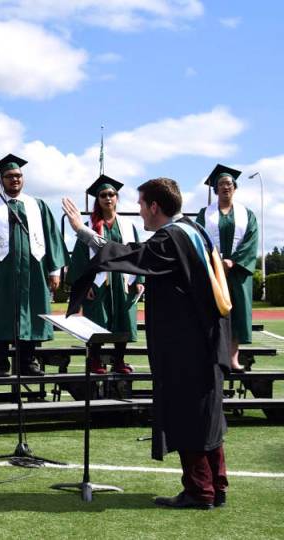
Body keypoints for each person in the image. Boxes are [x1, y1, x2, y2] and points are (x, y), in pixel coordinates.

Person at [63, 178, 231, 510]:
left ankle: (200, 490)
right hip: (206, 340)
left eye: (141, 204)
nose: (138, 210)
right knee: (207, 414)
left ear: (154, 206)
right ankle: (217, 484)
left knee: (189, 414)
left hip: (186, 347)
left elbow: (131, 255)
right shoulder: (195, 230)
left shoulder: (172, 238)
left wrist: (82, 231)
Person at [0, 154, 66, 377]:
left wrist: (54, 270)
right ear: (1, 180)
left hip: (32, 272)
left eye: (18, 175)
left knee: (30, 314)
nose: (15, 179)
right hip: (0, 273)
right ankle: (0, 364)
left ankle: (27, 362)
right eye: (9, 176)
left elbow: (51, 237)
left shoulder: (37, 205)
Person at [66, 175, 144, 374]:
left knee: (123, 320)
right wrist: (85, 286)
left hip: (123, 280)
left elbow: (137, 254)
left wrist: (140, 279)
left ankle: (119, 360)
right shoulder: (88, 226)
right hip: (99, 281)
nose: (108, 198)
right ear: (98, 199)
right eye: (103, 195)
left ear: (117, 197)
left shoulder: (128, 225)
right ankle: (94, 360)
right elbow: (80, 258)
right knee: (96, 321)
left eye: (111, 194)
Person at [195, 164, 258, 373]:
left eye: (229, 183)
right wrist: (214, 262)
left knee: (237, 313)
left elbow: (251, 240)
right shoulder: (205, 214)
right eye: (221, 184)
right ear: (215, 189)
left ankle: (232, 358)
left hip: (238, 272)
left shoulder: (247, 214)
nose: (225, 187)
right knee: (212, 311)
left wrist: (233, 261)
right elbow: (198, 239)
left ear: (235, 187)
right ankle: (213, 356)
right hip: (213, 271)